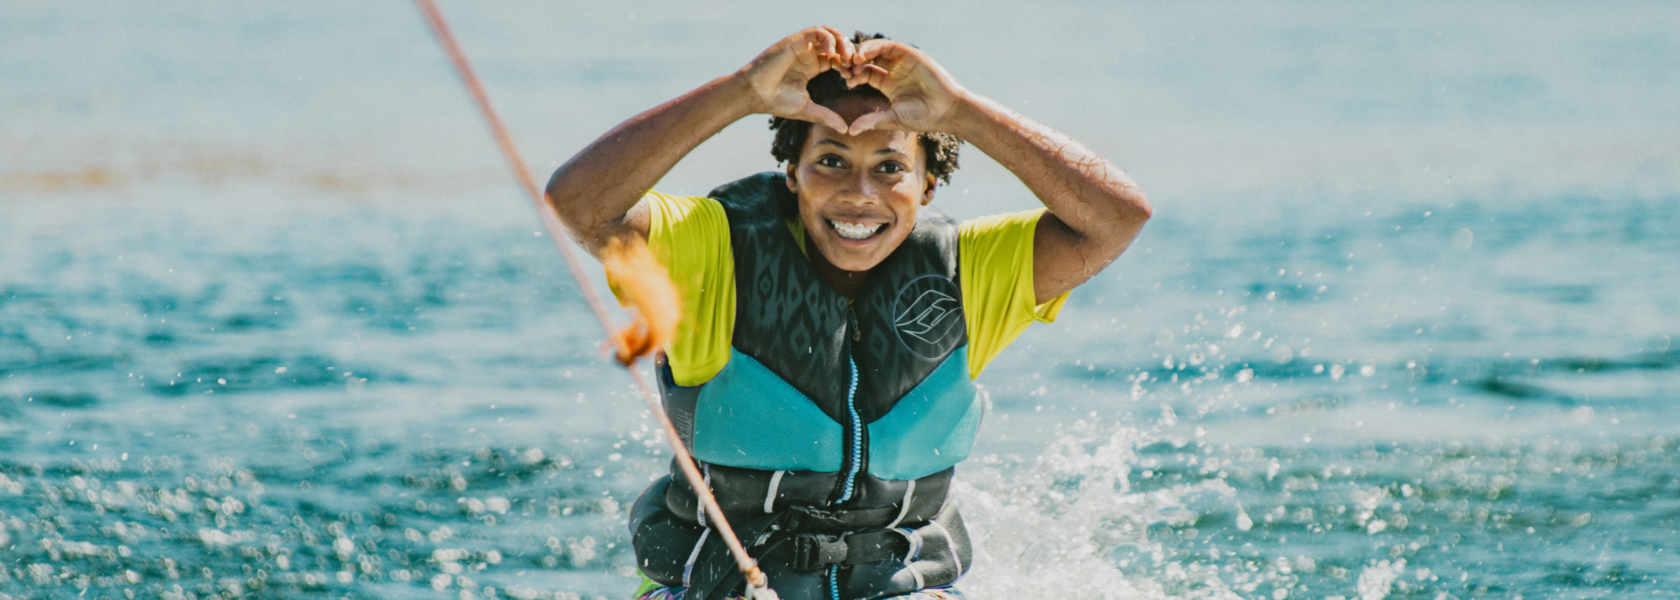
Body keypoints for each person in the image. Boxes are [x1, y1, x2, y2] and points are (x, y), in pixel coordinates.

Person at [547, 27, 1151, 600]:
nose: (859, 193)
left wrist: (961, 111)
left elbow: (1117, 217)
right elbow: (581, 204)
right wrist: (742, 93)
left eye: (890, 167)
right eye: (831, 161)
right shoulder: (712, 253)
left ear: (928, 186)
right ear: (792, 173)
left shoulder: (970, 271)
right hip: (716, 586)